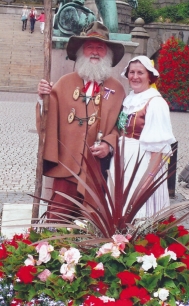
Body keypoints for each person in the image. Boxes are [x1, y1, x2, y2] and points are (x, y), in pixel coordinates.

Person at [37, 21, 125, 221]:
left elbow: (122, 128)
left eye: (100, 47)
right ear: (81, 52)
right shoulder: (64, 83)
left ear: (108, 52)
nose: (95, 52)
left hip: (97, 170)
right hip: (66, 167)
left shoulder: (118, 90)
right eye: (90, 47)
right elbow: (47, 120)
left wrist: (108, 145)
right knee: (56, 221)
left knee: (92, 223)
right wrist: (43, 99)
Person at [110, 55, 176, 219]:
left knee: (137, 207)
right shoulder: (129, 99)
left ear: (150, 76)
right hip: (121, 158)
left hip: (142, 162)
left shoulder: (155, 102)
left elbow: (158, 148)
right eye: (132, 72)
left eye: (140, 72)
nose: (135, 76)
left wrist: (148, 180)